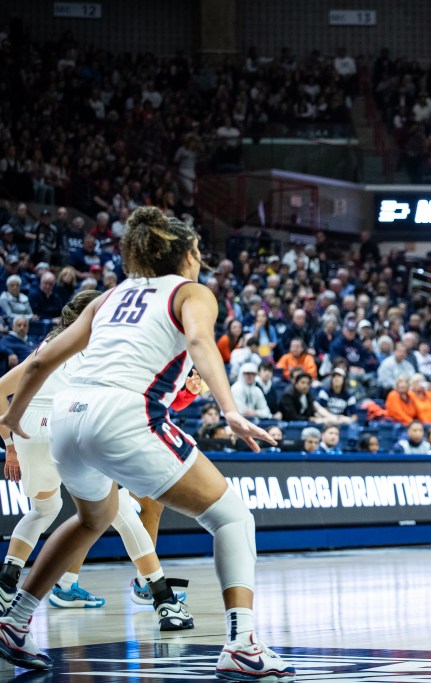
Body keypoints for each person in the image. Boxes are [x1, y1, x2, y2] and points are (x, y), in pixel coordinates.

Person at [0, 208, 293, 678]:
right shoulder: (191, 292)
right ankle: (243, 644)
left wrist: (12, 420)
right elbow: (200, 342)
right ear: (189, 254)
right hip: (123, 416)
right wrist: (230, 408)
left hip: (65, 419)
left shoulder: (108, 297)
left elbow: (39, 363)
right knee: (232, 517)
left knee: (90, 518)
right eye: (198, 252)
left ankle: (14, 624)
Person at [0, 291, 186, 618]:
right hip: (68, 421)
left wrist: (10, 445)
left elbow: (1, 390)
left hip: (28, 426)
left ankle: (7, 583)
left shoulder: (47, 345)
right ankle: (162, 598)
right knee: (122, 512)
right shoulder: (100, 347)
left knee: (45, 509)